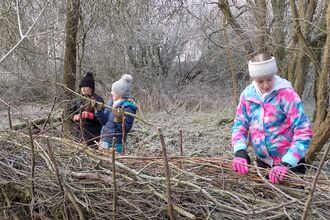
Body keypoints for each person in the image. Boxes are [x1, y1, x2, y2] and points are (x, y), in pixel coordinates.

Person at [231, 53, 313, 184]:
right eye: (260, 81)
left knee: (292, 201)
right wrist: (240, 151)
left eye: (269, 79)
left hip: (290, 164)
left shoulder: (287, 94)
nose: (266, 85)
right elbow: (239, 125)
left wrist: (288, 162)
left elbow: (304, 130)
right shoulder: (247, 96)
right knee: (265, 200)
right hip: (263, 162)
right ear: (254, 78)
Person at [93, 74, 137, 154]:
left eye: (113, 91)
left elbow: (126, 129)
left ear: (119, 93)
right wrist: (98, 111)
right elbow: (104, 122)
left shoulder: (128, 108)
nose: (111, 92)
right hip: (104, 139)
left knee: (114, 165)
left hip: (116, 144)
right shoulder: (110, 103)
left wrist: (118, 120)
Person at [69, 71, 104, 147]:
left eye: (85, 87)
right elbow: (71, 112)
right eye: (81, 87)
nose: (83, 89)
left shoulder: (98, 100)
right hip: (78, 134)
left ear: (91, 88)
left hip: (93, 134)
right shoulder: (78, 99)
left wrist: (90, 116)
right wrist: (74, 117)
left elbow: (102, 118)